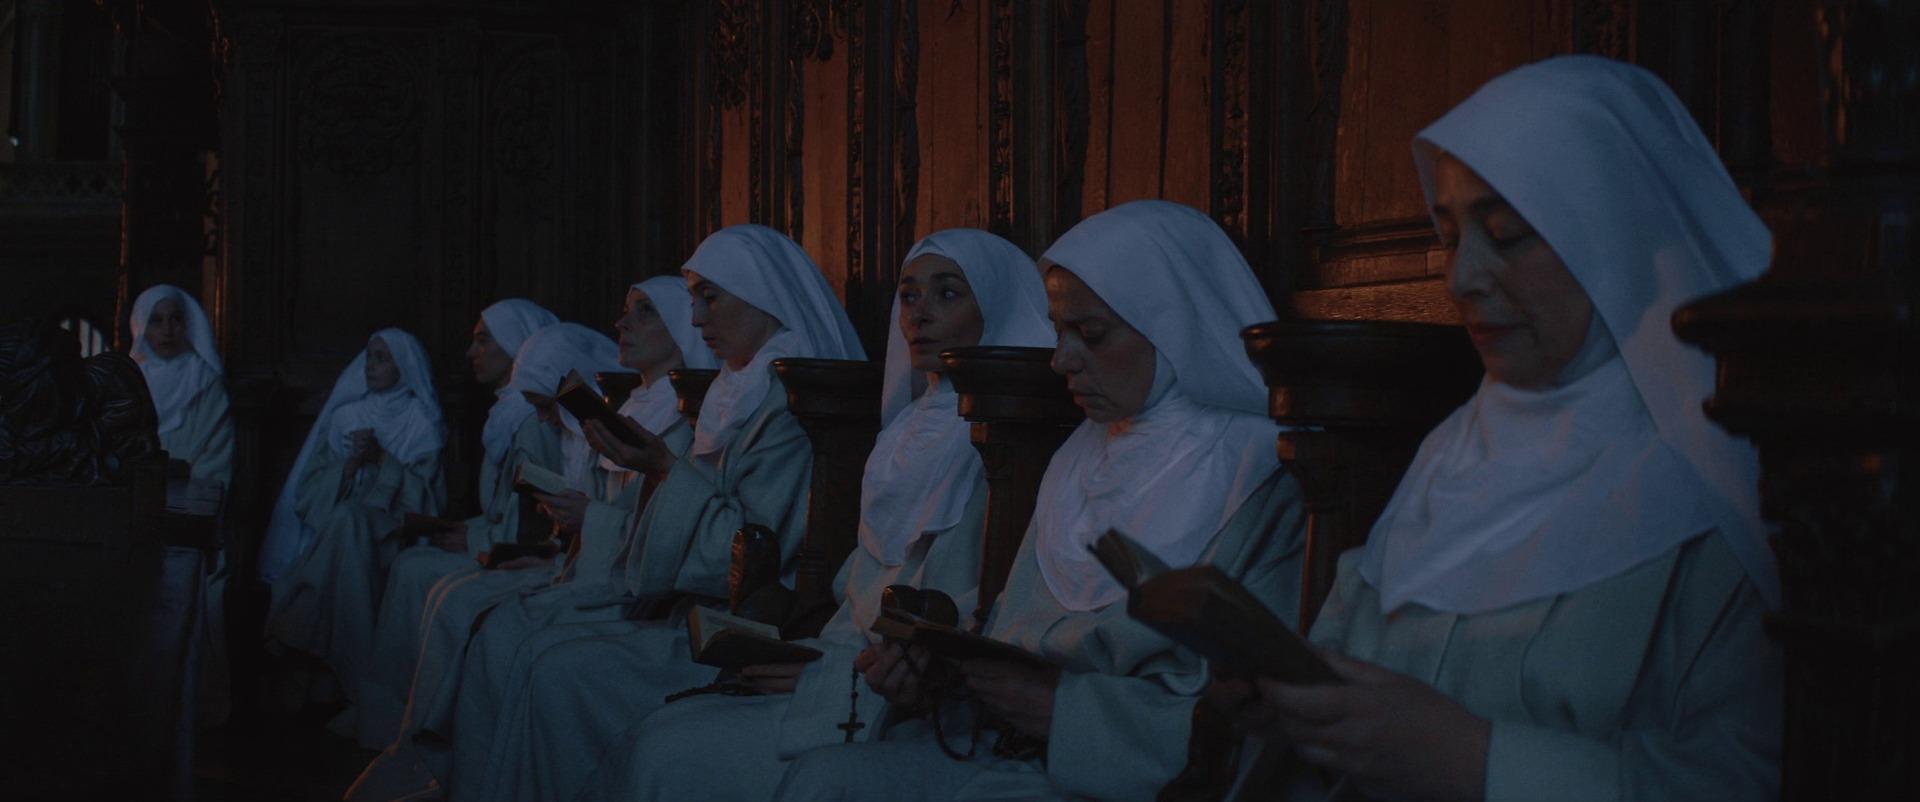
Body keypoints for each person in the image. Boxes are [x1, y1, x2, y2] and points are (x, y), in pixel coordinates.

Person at [1219, 56, 1783, 802]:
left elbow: (1750, 780)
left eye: (1508, 234)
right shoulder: (1450, 454)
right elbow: (1348, 677)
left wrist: (1477, 760)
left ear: (1616, 235)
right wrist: (1294, 707)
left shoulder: (1721, 475)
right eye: (1451, 235)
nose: (1461, 279)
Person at [772, 200, 1309, 802]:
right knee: (824, 780)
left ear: (1175, 323)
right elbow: (1012, 632)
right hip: (1007, 747)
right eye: (1059, 332)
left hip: (1130, 778)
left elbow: (1260, 714)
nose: (1061, 361)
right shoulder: (1079, 453)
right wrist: (939, 672)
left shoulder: (1261, 475)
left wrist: (1065, 711)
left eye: (1092, 334)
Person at [582, 229, 1055, 802]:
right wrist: (821, 661)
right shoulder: (904, 431)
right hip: (841, 663)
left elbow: (957, 621)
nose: (919, 313)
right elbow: (858, 594)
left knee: (657, 743)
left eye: (947, 293)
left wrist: (835, 672)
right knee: (648, 729)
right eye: (908, 295)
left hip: (921, 705)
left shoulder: (1007, 445)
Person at [442, 224, 863, 802]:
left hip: (748, 622)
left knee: (556, 670)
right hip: (695, 607)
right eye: (691, 300)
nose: (696, 318)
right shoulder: (734, 390)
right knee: (534, 650)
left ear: (760, 294)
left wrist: (663, 469)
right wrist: (655, 476)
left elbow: (752, 549)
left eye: (709, 297)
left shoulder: (786, 397)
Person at [345, 278, 713, 797]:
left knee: (500, 628)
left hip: (640, 593)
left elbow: (681, 533)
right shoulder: (634, 409)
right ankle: (434, 759)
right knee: (460, 602)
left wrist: (579, 527)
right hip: (599, 570)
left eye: (645, 312)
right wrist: (567, 530)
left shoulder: (690, 420)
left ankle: (477, 776)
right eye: (626, 310)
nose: (622, 324)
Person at [349, 299, 562, 738]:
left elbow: (537, 522)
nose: (471, 353)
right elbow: (505, 509)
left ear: (518, 346)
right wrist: (468, 530)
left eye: (484, 340)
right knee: (410, 563)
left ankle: (422, 723)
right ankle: (393, 713)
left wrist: (473, 538)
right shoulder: (508, 415)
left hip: (524, 555)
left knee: (419, 572)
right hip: (497, 539)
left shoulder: (532, 421)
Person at [262, 329, 448, 714]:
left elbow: (427, 504)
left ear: (404, 366)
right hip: (339, 533)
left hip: (391, 536)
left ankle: (295, 638)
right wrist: (347, 468)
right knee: (346, 525)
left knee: (347, 524)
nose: (371, 366)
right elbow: (308, 493)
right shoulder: (345, 417)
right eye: (369, 357)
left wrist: (382, 461)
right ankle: (353, 677)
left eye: (383, 358)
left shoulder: (421, 423)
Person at [128, 284, 233, 486]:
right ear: (141, 326)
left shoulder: (205, 380)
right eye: (156, 321)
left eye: (175, 319)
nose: (167, 330)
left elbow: (216, 452)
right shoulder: (130, 379)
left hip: (192, 490)